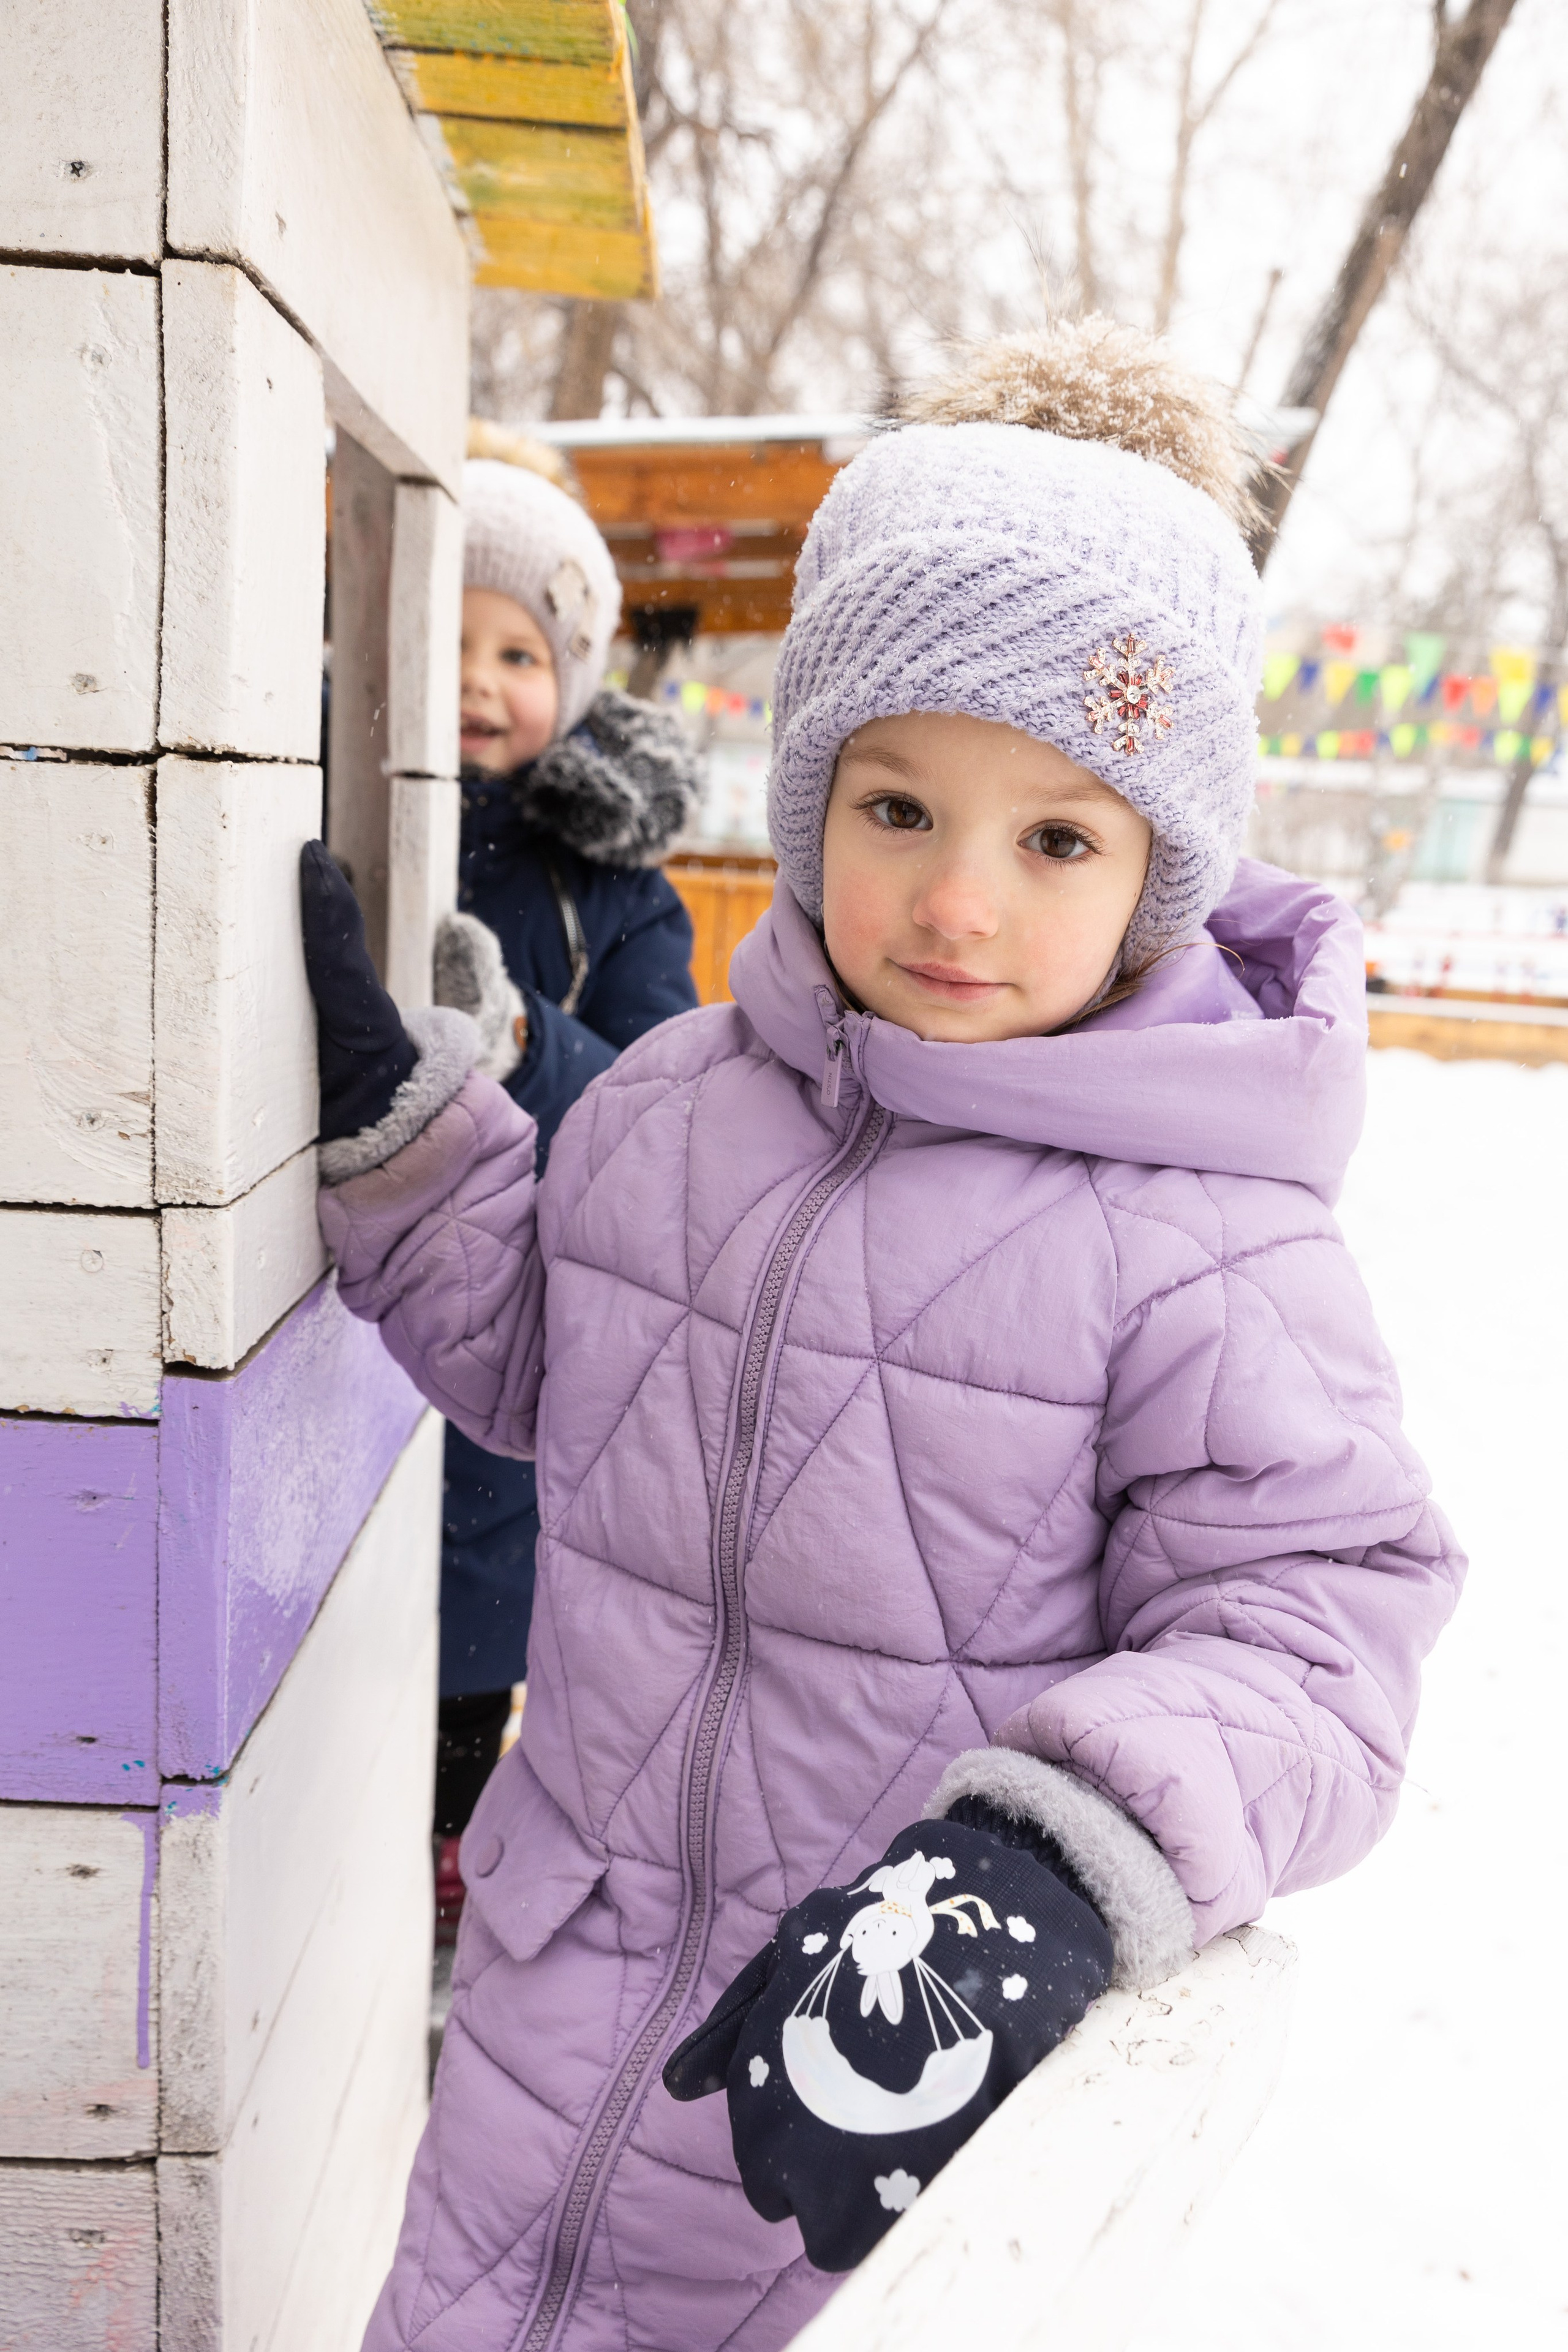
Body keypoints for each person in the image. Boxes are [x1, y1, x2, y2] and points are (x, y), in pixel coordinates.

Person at [300, 320, 1463, 2352]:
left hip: (865, 2085)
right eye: (901, 806)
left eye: (1059, 840)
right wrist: (416, 1153)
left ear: (1163, 877)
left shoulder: (1204, 1243)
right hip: (546, 2019)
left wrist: (1054, 1859)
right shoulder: (671, 1104)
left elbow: (1316, 1625)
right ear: (816, 783)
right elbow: (552, 1371)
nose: (961, 905)